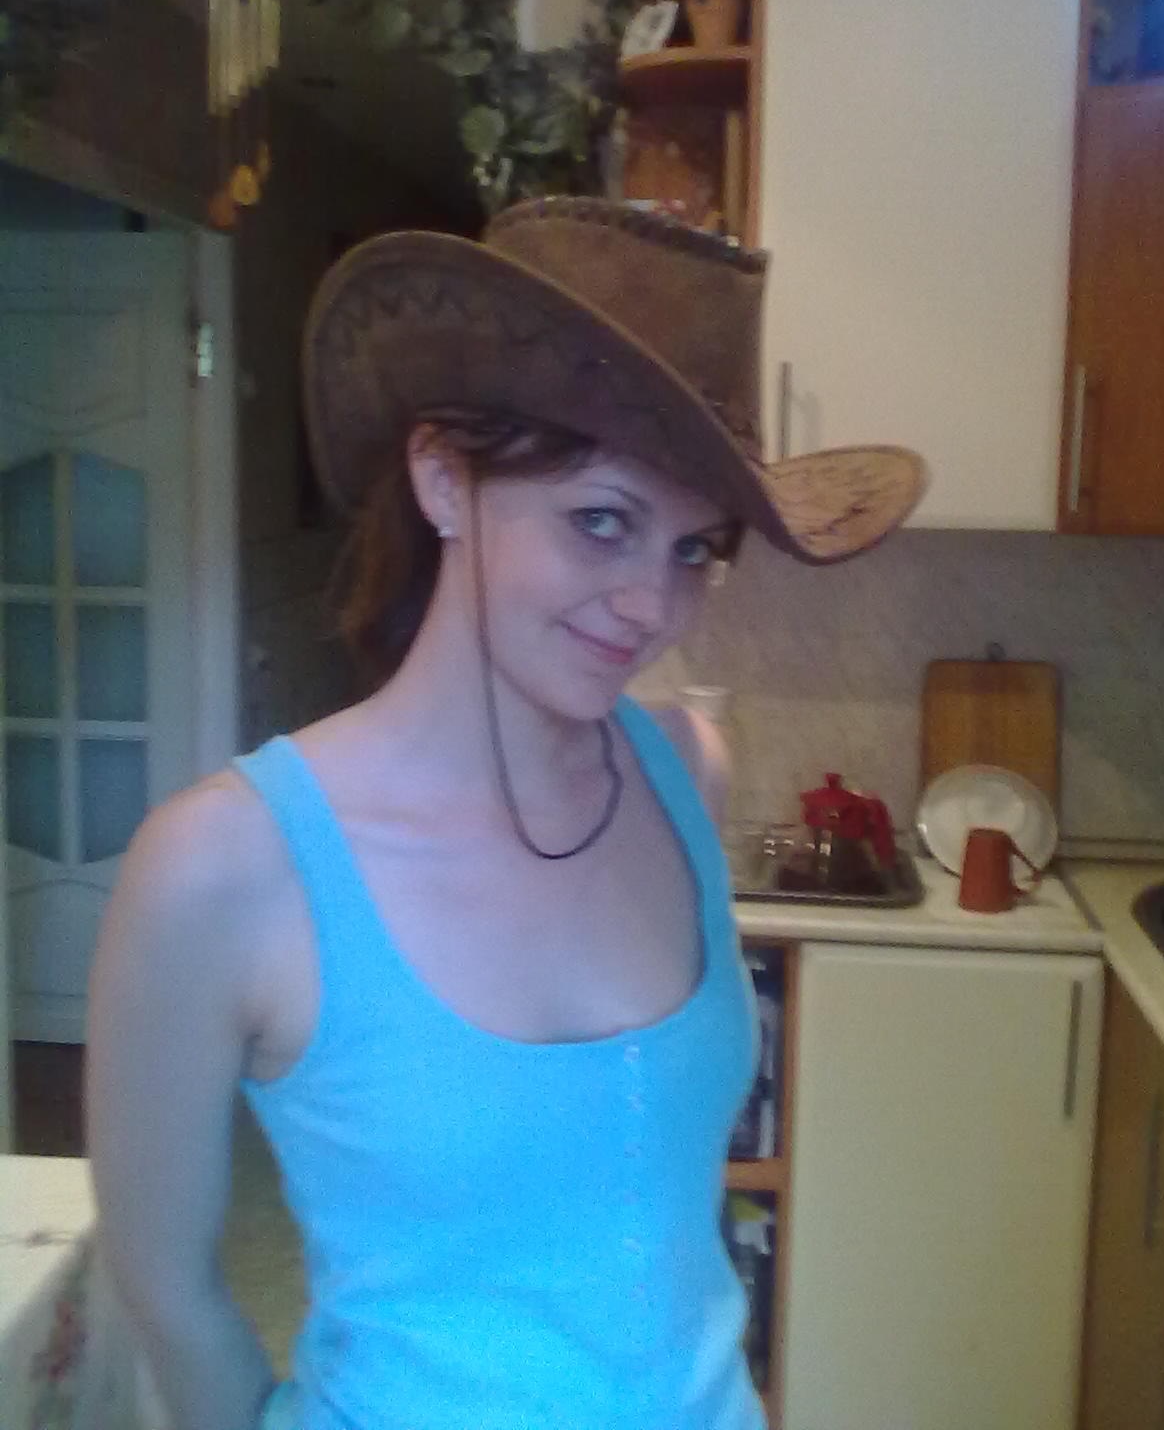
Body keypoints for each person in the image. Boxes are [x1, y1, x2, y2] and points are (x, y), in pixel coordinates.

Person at [86, 197, 926, 1430]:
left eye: (695, 549)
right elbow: (163, 1284)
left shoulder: (686, 774)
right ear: (443, 477)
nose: (652, 606)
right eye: (603, 521)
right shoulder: (227, 868)